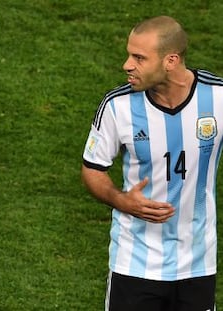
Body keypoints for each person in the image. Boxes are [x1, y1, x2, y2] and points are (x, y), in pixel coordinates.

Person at [81, 16, 222, 311]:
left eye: (139, 57)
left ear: (171, 60)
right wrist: (122, 201)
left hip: (197, 264)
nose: (127, 65)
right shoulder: (117, 106)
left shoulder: (217, 97)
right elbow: (93, 168)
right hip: (135, 263)